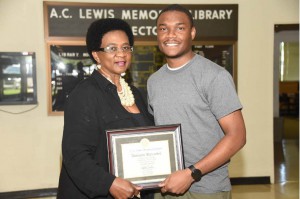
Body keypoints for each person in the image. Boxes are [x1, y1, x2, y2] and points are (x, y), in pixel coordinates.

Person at [147, 4, 246, 199]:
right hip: (165, 186)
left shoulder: (214, 76)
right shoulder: (154, 82)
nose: (171, 35)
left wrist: (191, 173)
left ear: (192, 33)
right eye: (163, 28)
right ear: (157, 34)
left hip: (207, 188)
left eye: (180, 28)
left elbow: (237, 136)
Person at [57, 18, 154, 199]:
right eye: (112, 48)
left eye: (126, 47)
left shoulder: (137, 94)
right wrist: (109, 183)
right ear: (96, 55)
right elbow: (75, 155)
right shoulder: (84, 94)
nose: (121, 54)